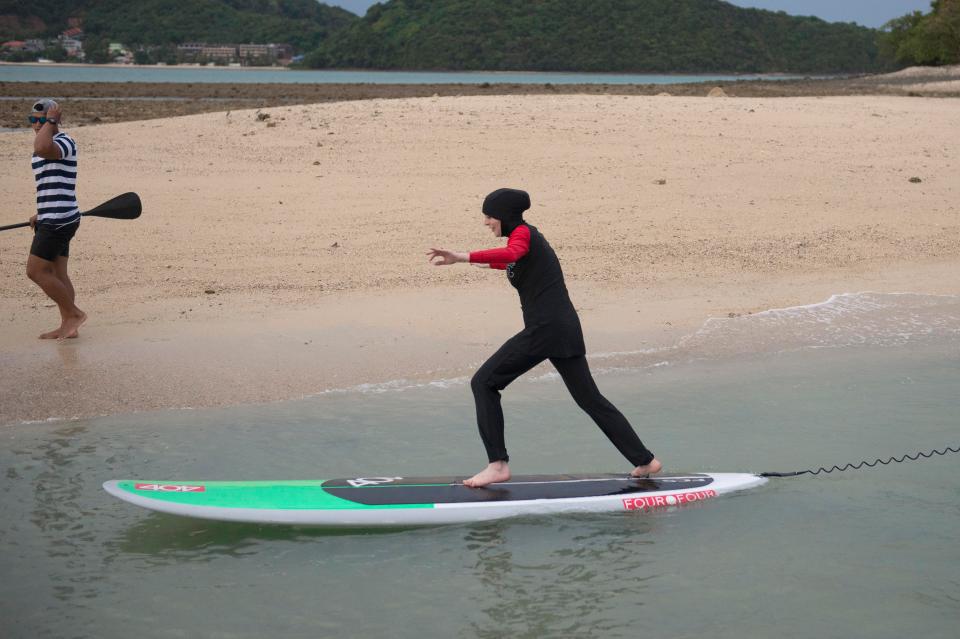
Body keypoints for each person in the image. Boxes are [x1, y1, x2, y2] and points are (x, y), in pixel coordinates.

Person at [428, 188, 661, 487]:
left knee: (483, 383)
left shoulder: (523, 235)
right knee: (590, 399)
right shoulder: (526, 241)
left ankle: (497, 464)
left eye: (489, 216)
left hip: (546, 329)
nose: (486, 222)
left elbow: (513, 254)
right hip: (562, 329)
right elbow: (510, 261)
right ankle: (645, 460)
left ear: (505, 216)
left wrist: (462, 255)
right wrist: (463, 262)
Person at [25, 99, 86, 340]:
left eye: (41, 119)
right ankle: (68, 326)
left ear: (55, 119)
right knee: (59, 274)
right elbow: (51, 183)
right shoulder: (46, 142)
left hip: (59, 220)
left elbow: (42, 148)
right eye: (33, 120)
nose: (36, 124)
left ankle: (74, 314)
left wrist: (50, 122)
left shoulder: (64, 142)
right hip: (54, 215)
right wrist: (40, 212)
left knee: (36, 271)